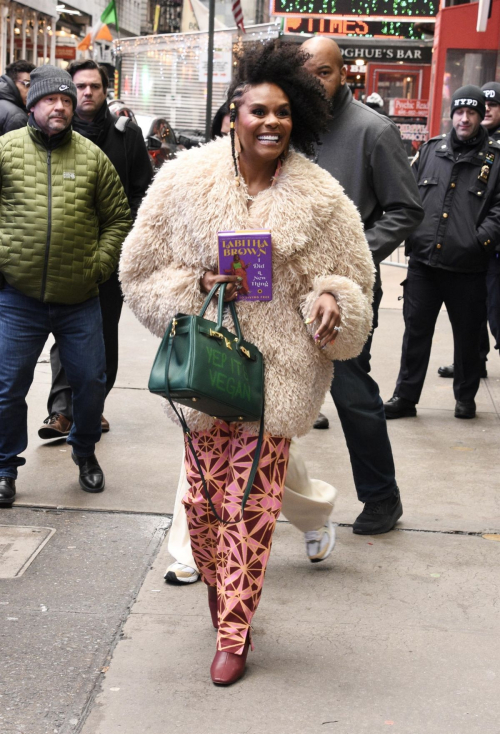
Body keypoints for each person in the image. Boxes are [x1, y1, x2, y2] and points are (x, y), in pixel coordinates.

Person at [120, 41, 374, 685]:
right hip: (206, 375)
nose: (271, 123)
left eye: (284, 113)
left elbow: (354, 282)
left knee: (252, 512)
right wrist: (196, 285)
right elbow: (139, 272)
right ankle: (221, 596)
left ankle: (235, 630)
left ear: (299, 120)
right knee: (204, 513)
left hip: (278, 383)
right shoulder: (183, 181)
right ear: (235, 113)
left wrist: (331, 302)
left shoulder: (323, 200)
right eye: (259, 110)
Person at [301, 36, 423, 534]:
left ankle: (381, 498)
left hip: (348, 287)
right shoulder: (290, 124)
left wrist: (356, 255)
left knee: (351, 391)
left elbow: (407, 209)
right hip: (291, 286)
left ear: (343, 73)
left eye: (324, 73)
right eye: (307, 73)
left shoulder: (374, 131)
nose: (315, 82)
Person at [0, 65, 131, 508]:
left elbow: (118, 219)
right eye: (50, 99)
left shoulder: (93, 158)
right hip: (18, 299)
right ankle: (3, 467)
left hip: (80, 300)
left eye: (66, 100)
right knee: (6, 387)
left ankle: (85, 452)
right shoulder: (5, 150)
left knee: (91, 383)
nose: (59, 106)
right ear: (32, 104)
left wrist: (99, 264)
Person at [38, 60, 152, 441]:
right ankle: (62, 411)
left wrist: (126, 236)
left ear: (105, 91)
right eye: (80, 87)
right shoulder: (55, 133)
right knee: (62, 332)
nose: (86, 93)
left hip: (112, 253)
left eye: (94, 87)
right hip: (64, 254)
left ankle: (93, 406)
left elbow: (143, 190)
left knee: (103, 331)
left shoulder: (125, 133)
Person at [384, 85, 500, 421]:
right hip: (424, 264)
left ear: (480, 117)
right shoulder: (433, 150)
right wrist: (413, 235)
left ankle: (466, 398)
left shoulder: (495, 158)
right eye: (460, 112)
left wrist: (479, 240)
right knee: (415, 333)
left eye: (472, 113)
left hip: (468, 268)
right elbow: (409, 195)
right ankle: (405, 397)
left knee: (466, 339)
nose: (465, 119)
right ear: (452, 114)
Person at [438, 81, 500, 381]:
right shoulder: (460, 142)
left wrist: (482, 238)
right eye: (480, 105)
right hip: (475, 250)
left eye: (492, 105)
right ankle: (474, 362)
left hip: (489, 246)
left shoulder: (494, 150)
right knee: (473, 316)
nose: (484, 111)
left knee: (494, 314)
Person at [0, 60, 35, 135]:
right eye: (27, 84)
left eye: (33, 85)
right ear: (12, 82)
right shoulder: (17, 117)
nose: (31, 90)